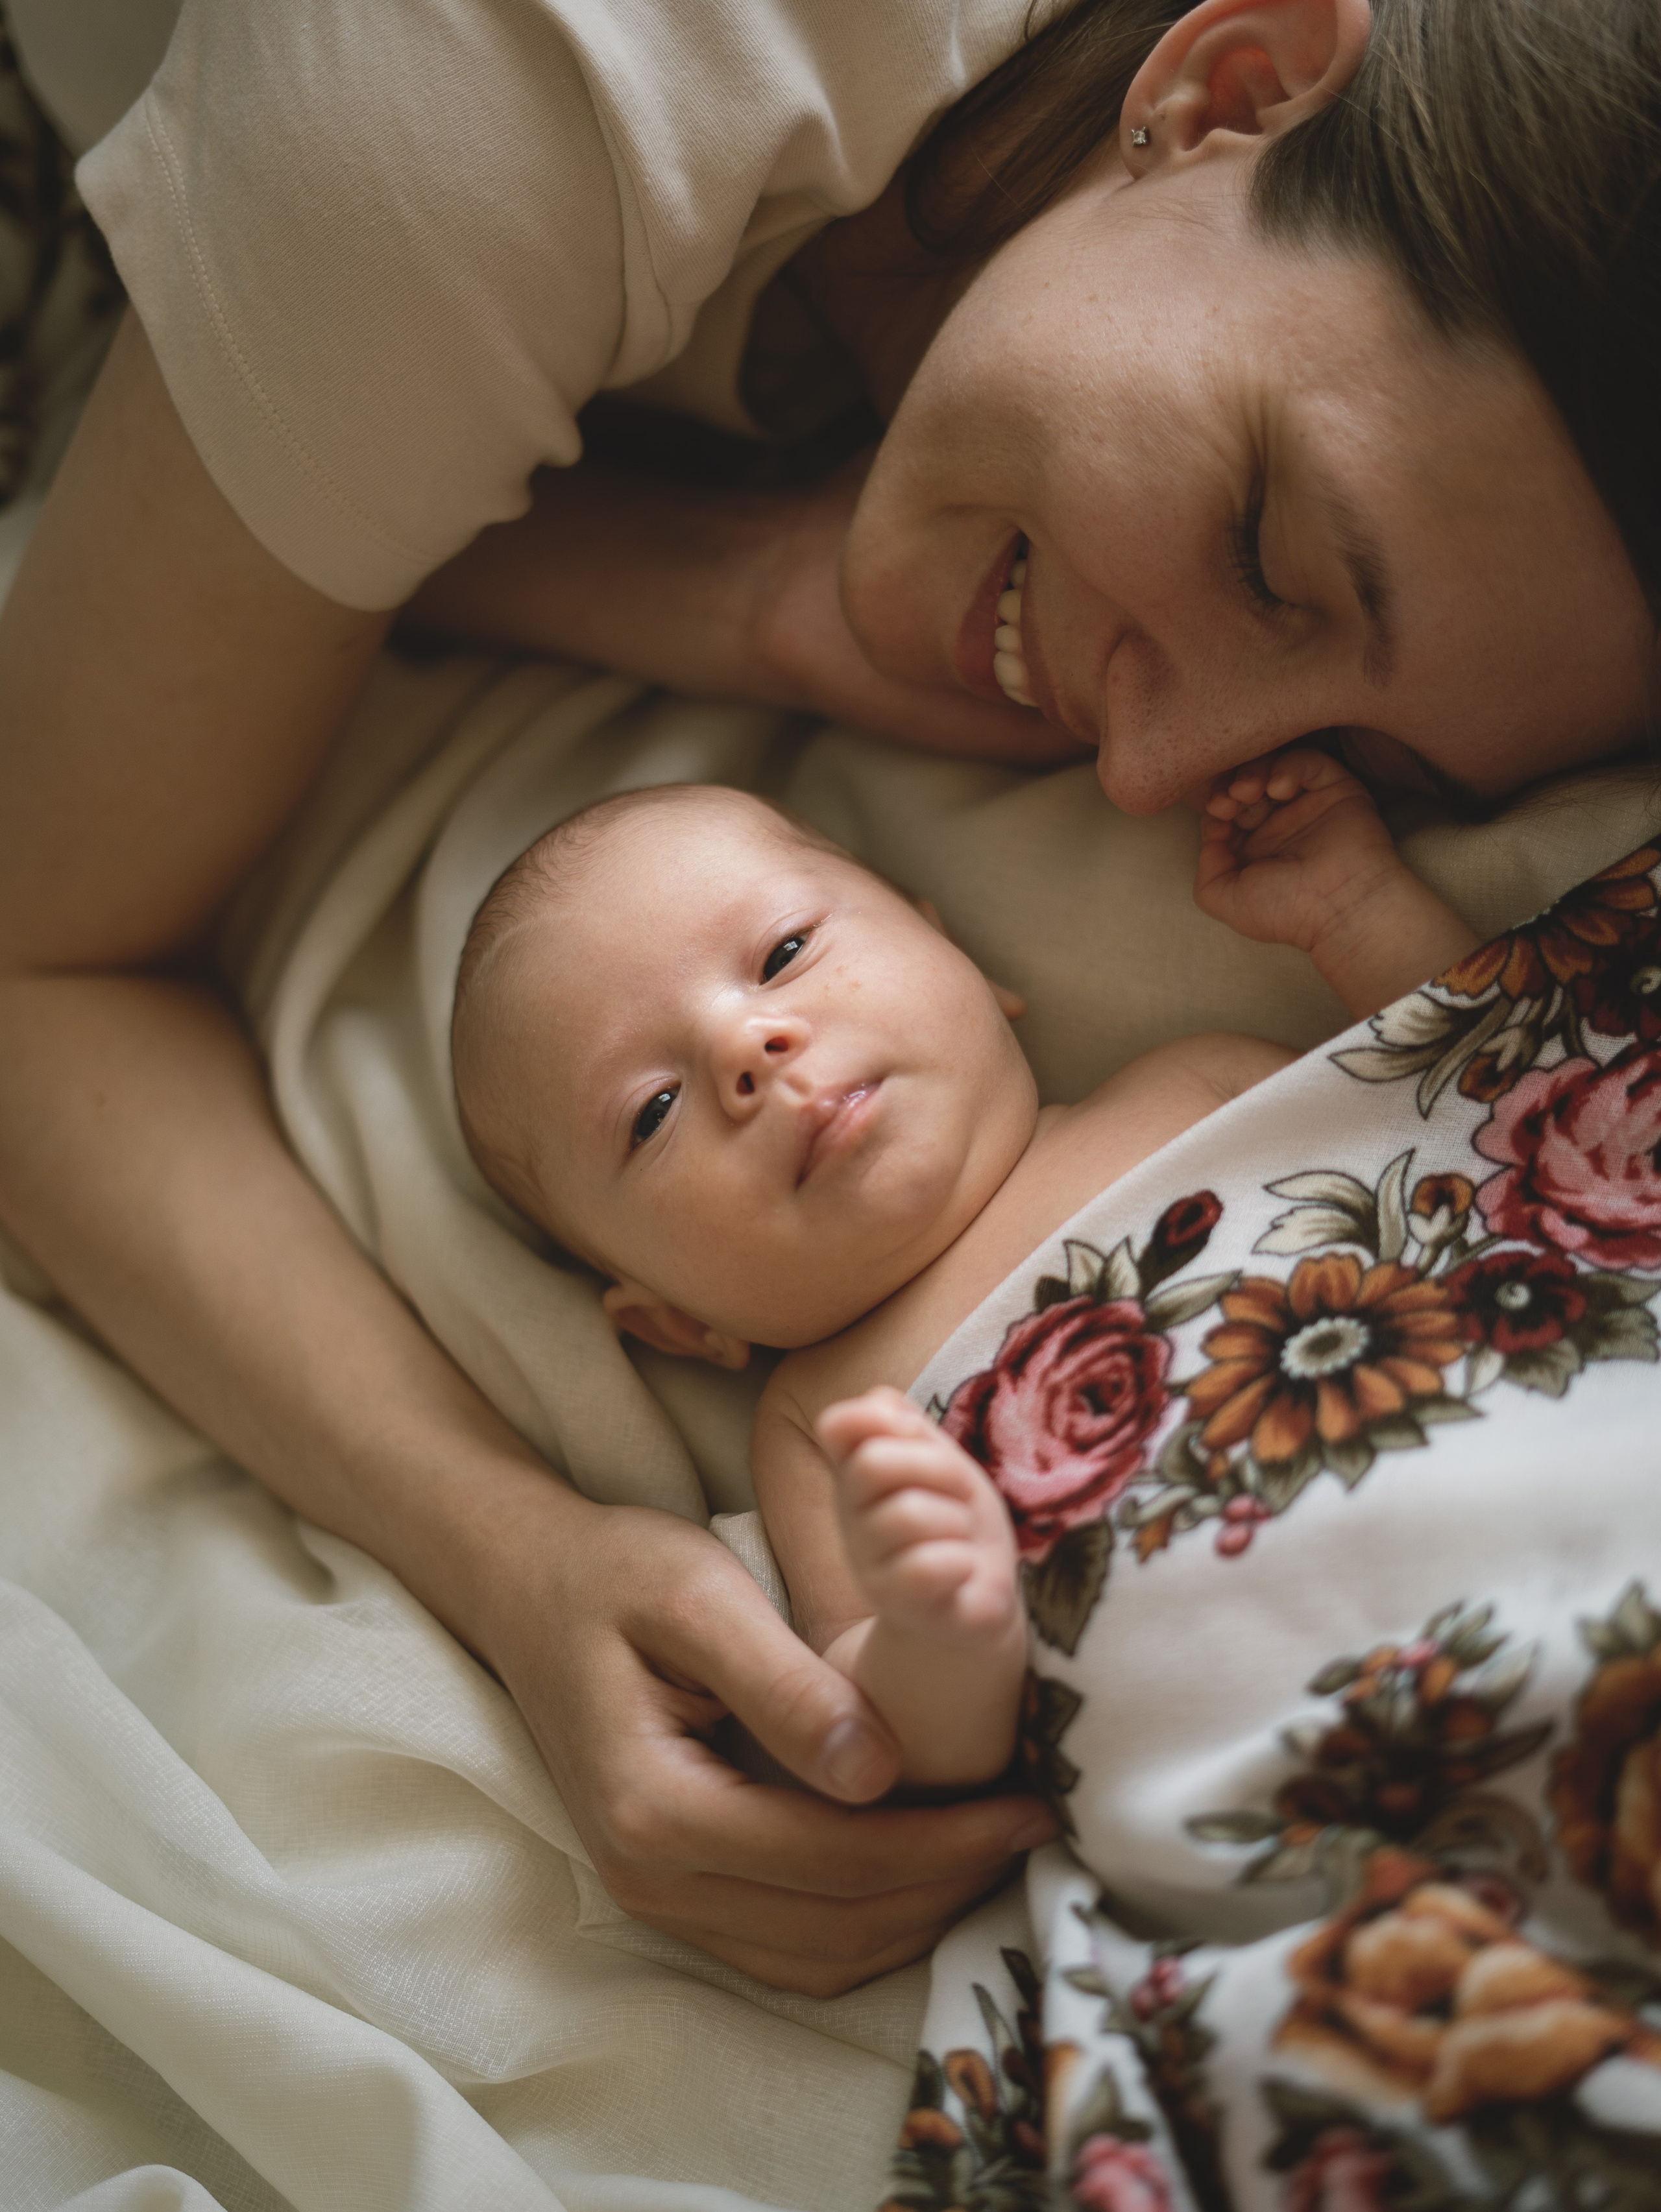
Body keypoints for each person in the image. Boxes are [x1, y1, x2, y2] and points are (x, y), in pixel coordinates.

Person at [0, 0, 1656, 1995]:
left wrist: (759, 595)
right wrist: (518, 1558)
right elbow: (36, 951)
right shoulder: (518, 71)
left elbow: (1479, 1087)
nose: (1148, 777)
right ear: (1231, 86)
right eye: (1271, 562)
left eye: (1376, 747)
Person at [449, 748, 1481, 1785]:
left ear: (955, 954)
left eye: (784, 952)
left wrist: (1355, 909)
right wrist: (939, 1640)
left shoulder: (1193, 1082)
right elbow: (903, 1739)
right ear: (679, 1322)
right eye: (652, 1111)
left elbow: (1484, 1107)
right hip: (1283, 1759)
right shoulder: (826, 1421)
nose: (749, 1048)